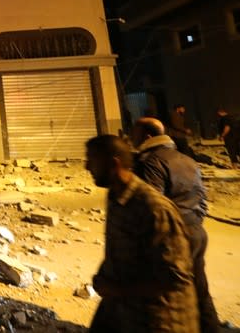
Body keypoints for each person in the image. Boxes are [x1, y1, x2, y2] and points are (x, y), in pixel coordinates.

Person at [85, 134, 198, 333]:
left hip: (160, 320)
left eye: (92, 160)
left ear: (114, 164)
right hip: (125, 309)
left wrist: (118, 290)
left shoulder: (154, 208)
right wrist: (105, 276)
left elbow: (176, 276)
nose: (86, 167)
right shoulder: (116, 197)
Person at [130, 117, 219, 333]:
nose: (131, 137)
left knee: (166, 300)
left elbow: (153, 205)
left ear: (147, 136)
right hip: (196, 231)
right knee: (199, 290)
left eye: (135, 132)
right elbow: (202, 199)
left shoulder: (151, 162)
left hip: (172, 237)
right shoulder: (187, 160)